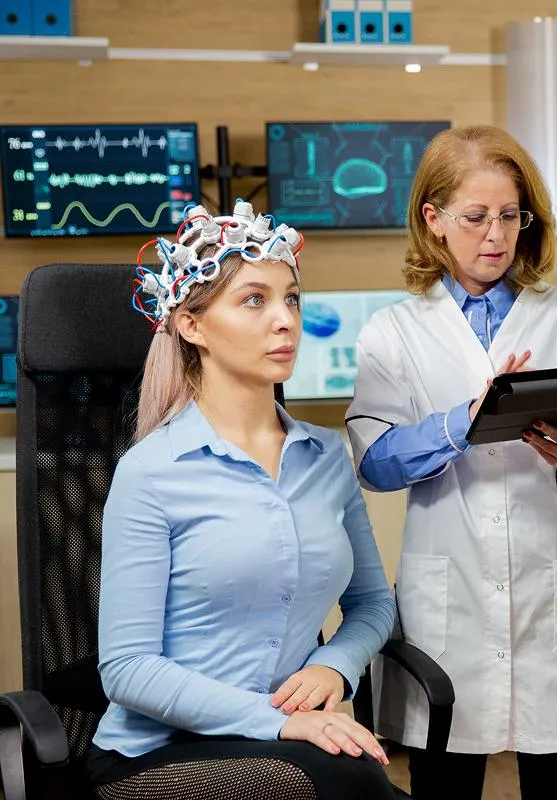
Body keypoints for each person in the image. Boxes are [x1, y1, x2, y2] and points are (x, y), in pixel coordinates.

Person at [345, 125, 557, 800]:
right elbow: (375, 462)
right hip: (450, 600)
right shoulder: (394, 331)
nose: (496, 235)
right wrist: (464, 423)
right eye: (477, 217)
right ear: (434, 220)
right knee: (445, 784)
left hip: (554, 591)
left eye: (511, 216)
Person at [86, 201, 398, 800]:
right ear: (192, 325)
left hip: (289, 744)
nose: (285, 320)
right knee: (351, 779)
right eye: (255, 300)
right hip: (161, 752)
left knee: (350, 777)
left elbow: (371, 607)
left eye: (292, 299)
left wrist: (335, 665)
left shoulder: (327, 456)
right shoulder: (150, 473)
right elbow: (126, 668)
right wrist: (281, 721)